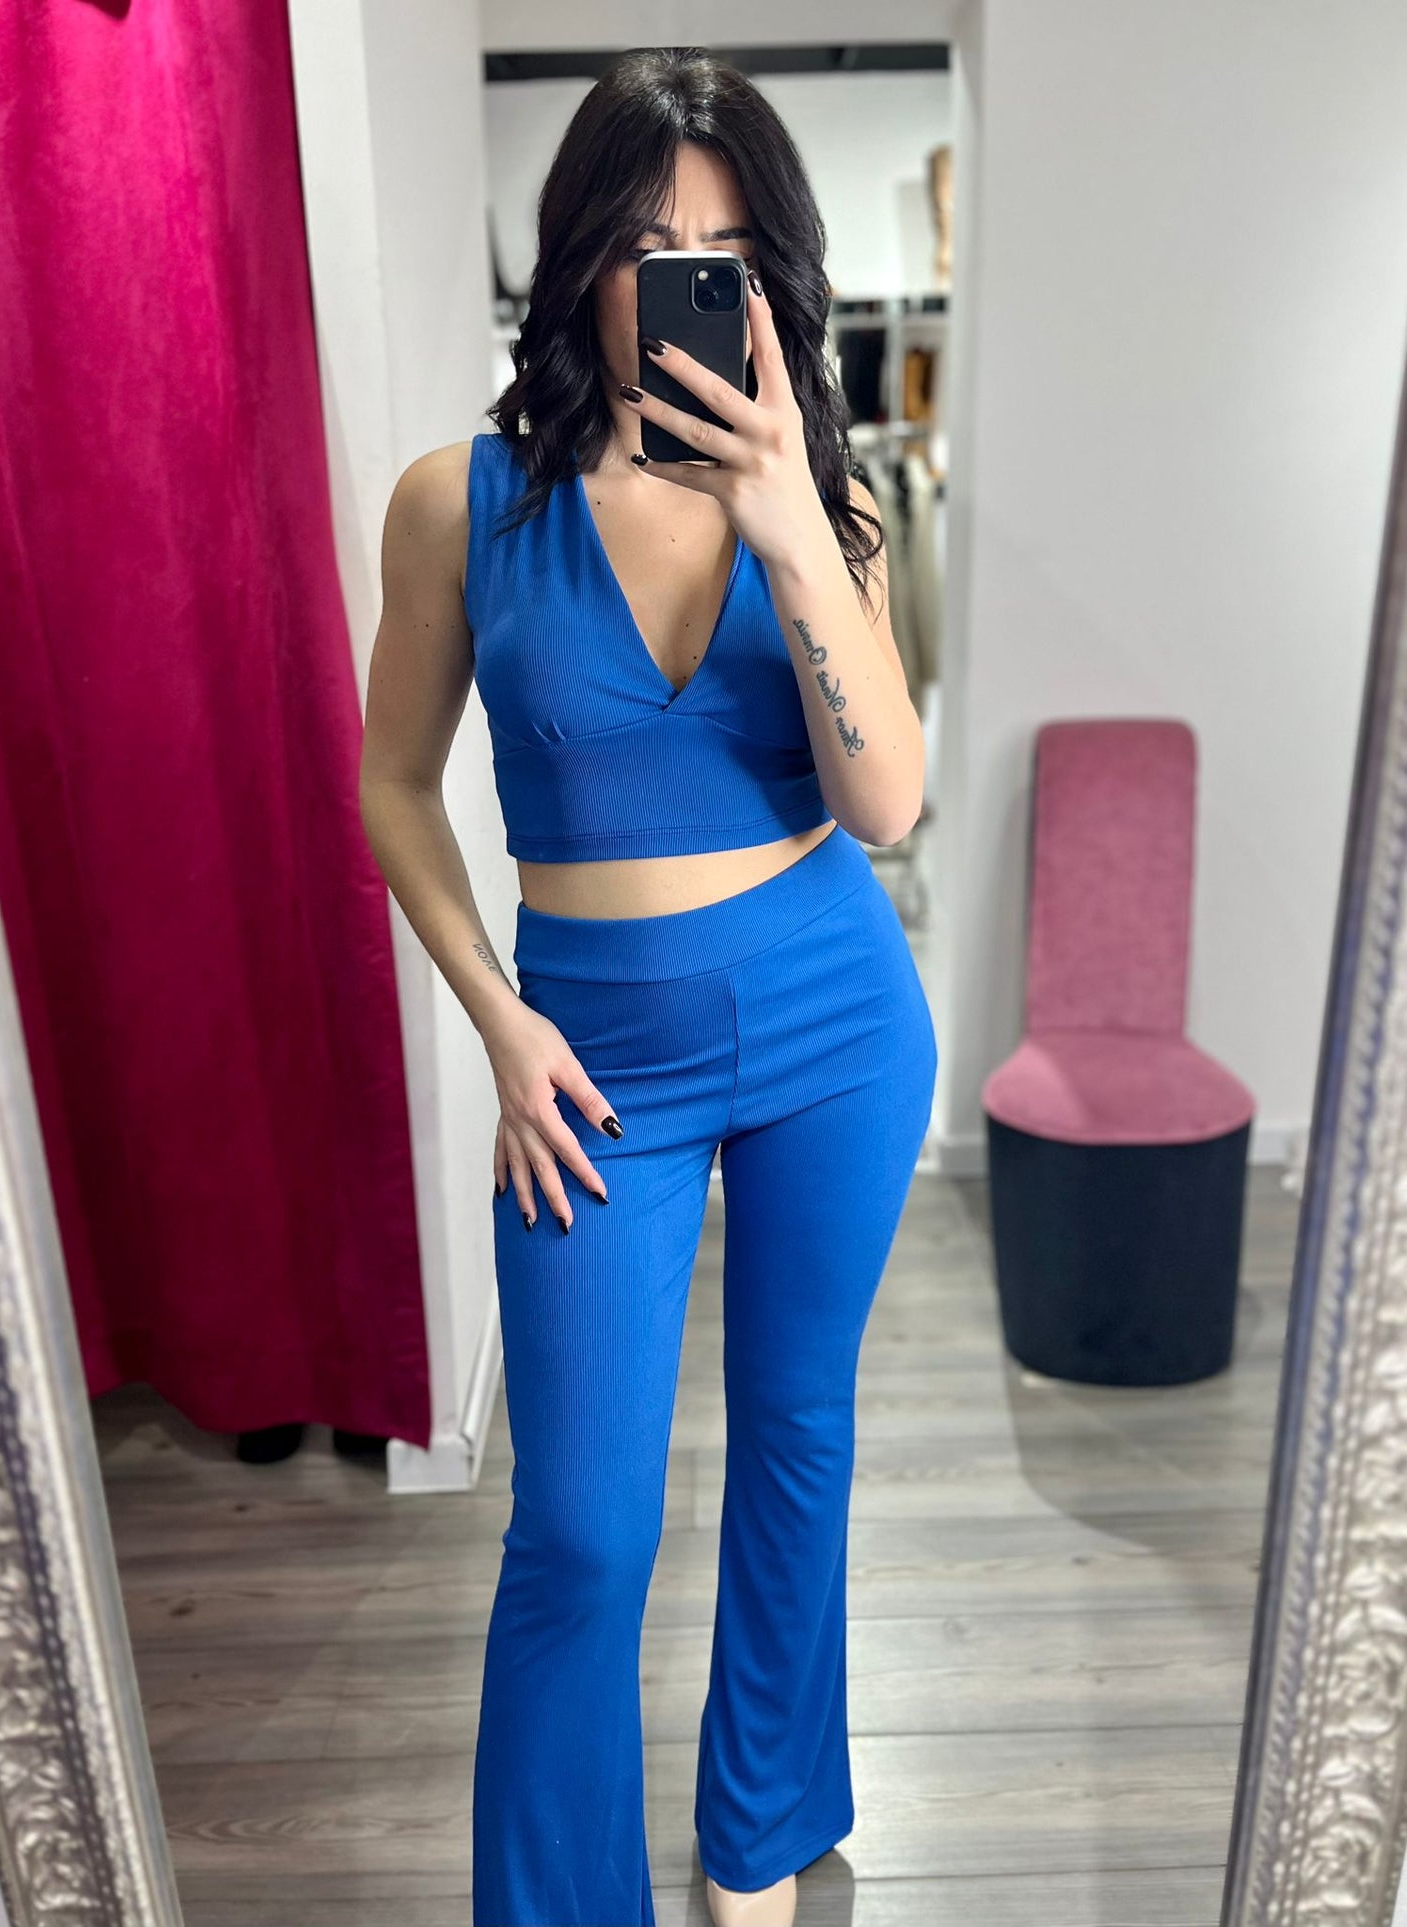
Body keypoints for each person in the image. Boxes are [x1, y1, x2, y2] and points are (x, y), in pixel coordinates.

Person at [358, 46, 938, 1927]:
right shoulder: (459, 505)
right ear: (580, 259)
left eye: (728, 251)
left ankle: (762, 1825)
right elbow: (391, 783)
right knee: (582, 1530)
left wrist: (789, 526)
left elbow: (887, 805)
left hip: (835, 1020)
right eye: (646, 242)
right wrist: (497, 1017)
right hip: (589, 1057)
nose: (686, 279)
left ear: (772, 278)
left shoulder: (829, 506)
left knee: (796, 1439)